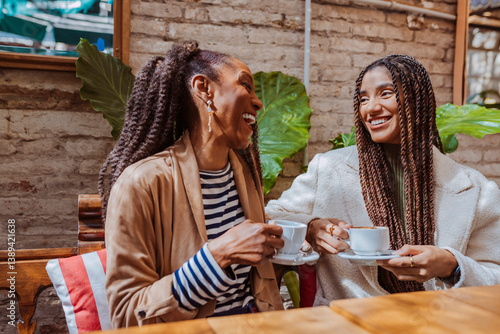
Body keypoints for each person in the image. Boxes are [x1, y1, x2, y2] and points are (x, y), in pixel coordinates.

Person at [266, 54, 500, 306]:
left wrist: (452, 266)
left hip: (439, 322)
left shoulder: (476, 190)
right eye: (363, 99)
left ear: (417, 101)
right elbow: (271, 216)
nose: (371, 108)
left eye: (385, 94)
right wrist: (311, 228)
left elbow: (495, 275)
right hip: (348, 322)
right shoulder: (329, 169)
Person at [99, 41, 284, 327]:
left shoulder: (246, 174)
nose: (258, 101)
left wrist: (310, 231)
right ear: (203, 88)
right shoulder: (141, 183)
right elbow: (127, 314)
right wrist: (218, 255)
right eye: (246, 85)